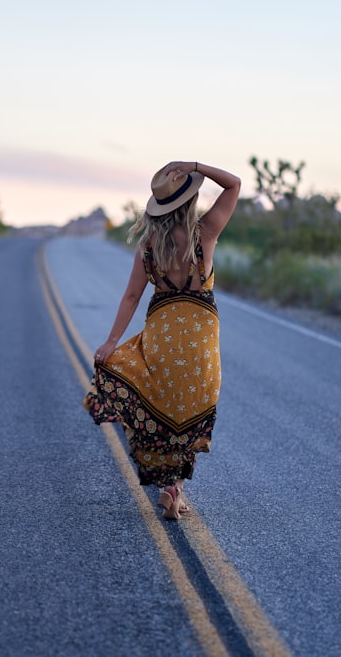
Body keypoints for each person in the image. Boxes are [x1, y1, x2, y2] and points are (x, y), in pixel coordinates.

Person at [83, 161, 242, 519]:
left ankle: (170, 486)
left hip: (162, 332)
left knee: (159, 404)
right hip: (201, 334)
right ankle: (177, 489)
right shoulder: (206, 234)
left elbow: (131, 297)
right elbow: (234, 185)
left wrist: (111, 342)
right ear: (190, 200)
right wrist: (197, 165)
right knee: (190, 407)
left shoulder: (149, 245)